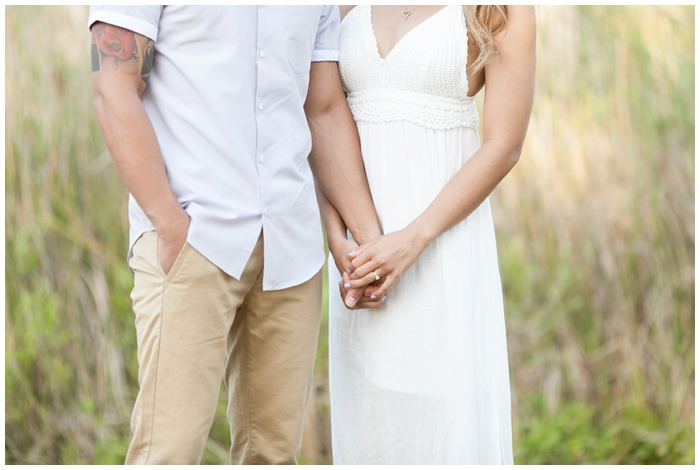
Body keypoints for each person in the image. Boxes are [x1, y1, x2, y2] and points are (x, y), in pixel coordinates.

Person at [88, 6, 382, 465]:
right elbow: (113, 85)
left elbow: (322, 108)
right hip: (193, 242)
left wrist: (371, 244)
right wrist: (170, 224)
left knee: (273, 456)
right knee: (168, 452)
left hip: (291, 248)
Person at [317, 5, 536, 464]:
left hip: (443, 247)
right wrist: (336, 234)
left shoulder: (496, 8)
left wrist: (412, 239)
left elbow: (504, 144)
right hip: (361, 256)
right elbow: (320, 115)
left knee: (444, 420)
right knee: (372, 422)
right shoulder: (338, 5)